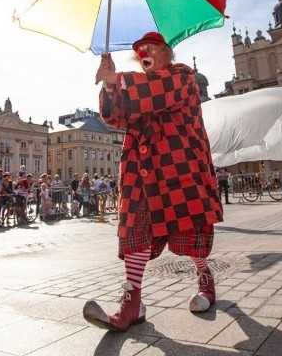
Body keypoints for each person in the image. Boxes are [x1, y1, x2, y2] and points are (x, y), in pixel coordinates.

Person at [83, 31, 224, 332]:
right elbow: (115, 117)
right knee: (134, 230)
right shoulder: (139, 86)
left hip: (179, 169)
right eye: (138, 51)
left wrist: (118, 79)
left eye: (149, 48)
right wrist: (109, 85)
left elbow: (158, 91)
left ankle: (204, 276)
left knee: (192, 237)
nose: (142, 53)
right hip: (140, 171)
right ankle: (132, 303)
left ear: (165, 53)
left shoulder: (183, 76)